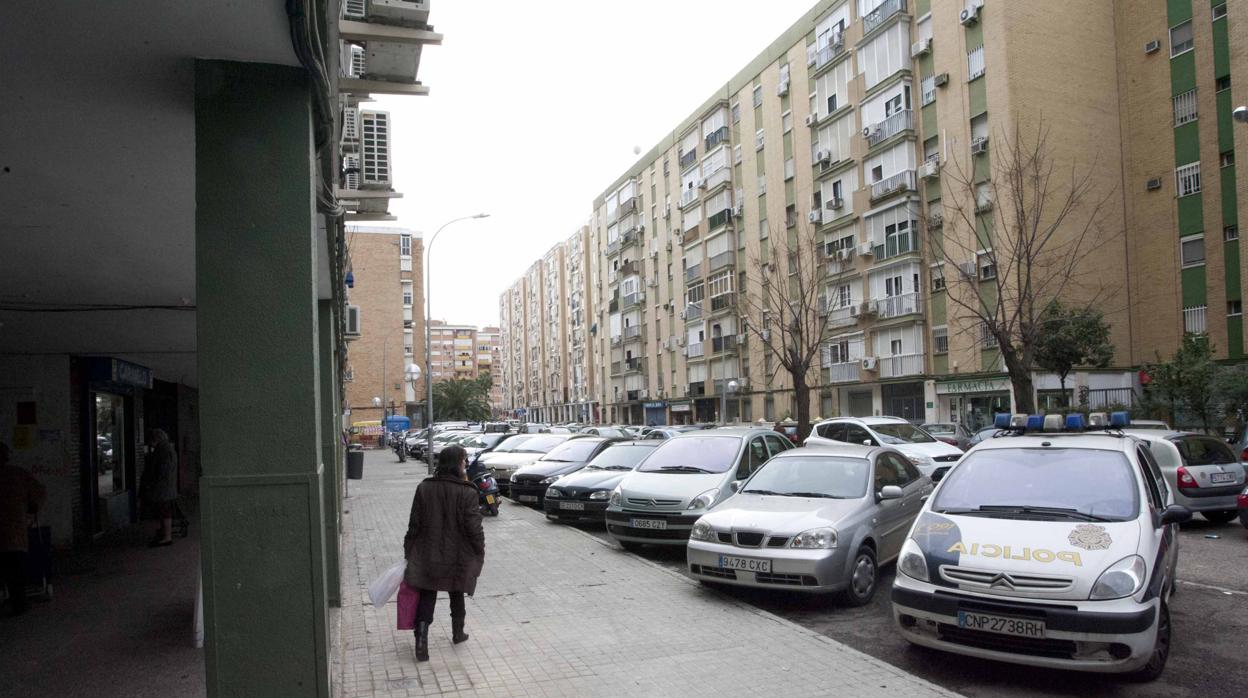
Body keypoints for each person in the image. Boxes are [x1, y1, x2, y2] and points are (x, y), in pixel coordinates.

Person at [402, 444, 484, 663]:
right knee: (456, 589)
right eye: (463, 460)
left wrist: (408, 550)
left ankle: (421, 641)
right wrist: (479, 550)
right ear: (457, 463)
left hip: (428, 552)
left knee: (427, 593)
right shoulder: (467, 491)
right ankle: (458, 632)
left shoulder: (424, 488)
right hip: (457, 554)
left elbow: (414, 524)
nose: (466, 464)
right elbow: (474, 528)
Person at [0, 442, 46, 615]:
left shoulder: (17, 475)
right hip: (13, 533)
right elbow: (39, 492)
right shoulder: (17, 474)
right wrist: (33, 508)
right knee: (15, 571)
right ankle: (18, 604)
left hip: (11, 531)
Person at [143, 429, 178, 547]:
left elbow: (162, 470)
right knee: (164, 511)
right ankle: (165, 535)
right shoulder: (168, 449)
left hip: (163, 487)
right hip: (166, 487)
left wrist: (153, 481)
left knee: (164, 511)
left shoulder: (163, 450)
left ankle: (167, 537)